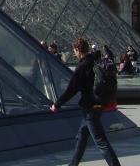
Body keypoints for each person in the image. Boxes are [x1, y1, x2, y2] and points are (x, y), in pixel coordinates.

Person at [50, 37, 121, 166]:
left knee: (100, 141)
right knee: (82, 137)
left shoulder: (83, 65)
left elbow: (72, 89)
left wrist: (57, 104)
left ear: (78, 49)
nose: (74, 54)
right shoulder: (95, 60)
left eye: (74, 51)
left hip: (90, 107)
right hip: (99, 104)